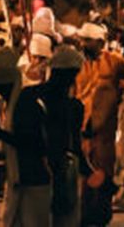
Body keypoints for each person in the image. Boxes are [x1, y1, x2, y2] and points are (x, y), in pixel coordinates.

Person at [74, 22, 124, 226]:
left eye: (87, 40)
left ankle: (101, 216)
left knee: (103, 173)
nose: (83, 43)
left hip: (104, 132)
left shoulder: (114, 62)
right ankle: (82, 216)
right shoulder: (77, 63)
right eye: (82, 39)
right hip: (80, 129)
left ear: (100, 42)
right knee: (82, 177)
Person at [0, 47, 50, 227]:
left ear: (3, 82)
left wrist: (0, 134)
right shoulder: (15, 104)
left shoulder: (24, 106)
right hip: (25, 181)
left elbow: (32, 143)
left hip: (32, 182)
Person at [45, 47, 89, 227]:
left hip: (54, 168)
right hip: (54, 168)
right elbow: (75, 143)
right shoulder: (72, 106)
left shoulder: (32, 96)